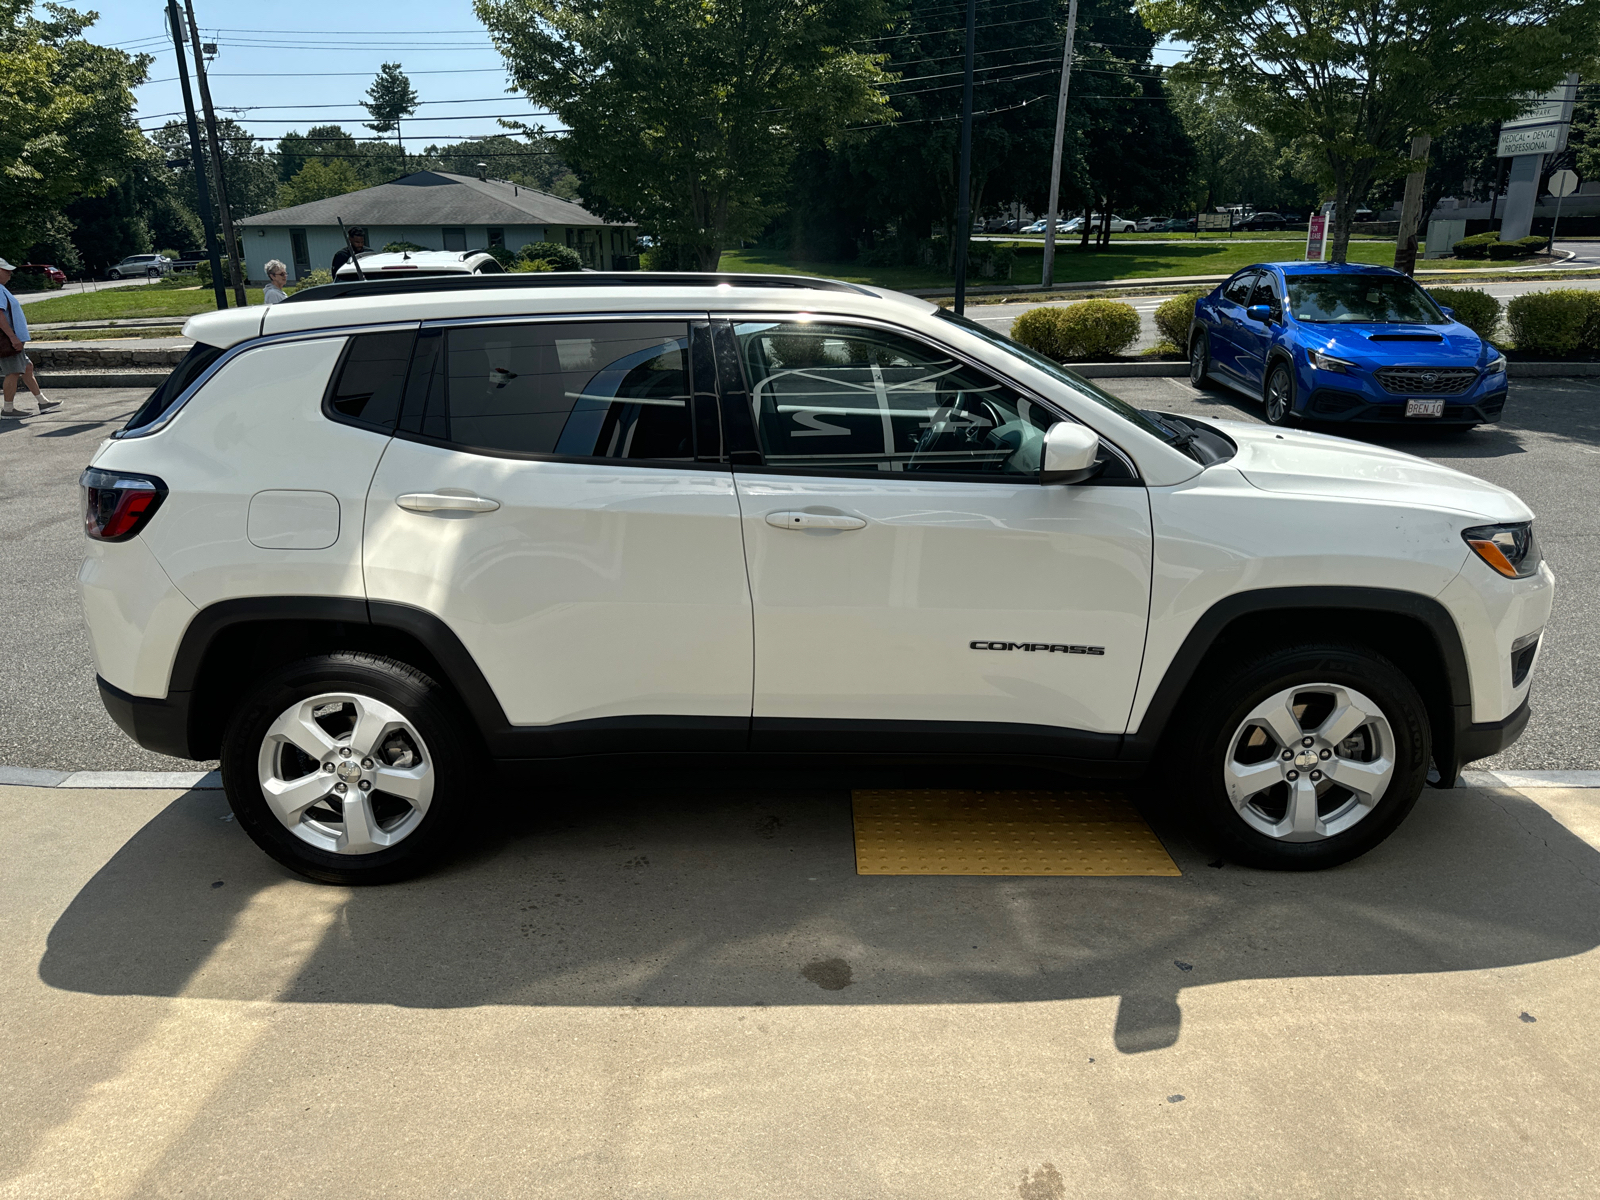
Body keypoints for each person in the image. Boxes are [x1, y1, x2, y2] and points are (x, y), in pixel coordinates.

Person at [0, 257, 58, 419]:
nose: (10, 273)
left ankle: (43, 402)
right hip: (8, 340)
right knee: (13, 372)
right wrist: (13, 338)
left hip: (13, 339)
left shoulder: (2, 288)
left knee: (27, 367)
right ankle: (8, 410)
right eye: (6, 270)